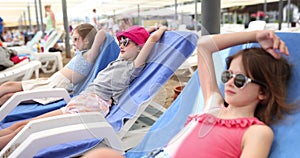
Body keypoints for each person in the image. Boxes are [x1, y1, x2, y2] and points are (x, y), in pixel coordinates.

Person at [80, 30, 293, 158]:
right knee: (99, 154)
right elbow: (204, 45)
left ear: (263, 92)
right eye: (228, 75)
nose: (228, 83)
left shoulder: (257, 132)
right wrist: (255, 35)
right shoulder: (214, 104)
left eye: (240, 80)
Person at [0, 25, 168, 150]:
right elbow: (132, 43)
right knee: (23, 125)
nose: (121, 45)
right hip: (83, 101)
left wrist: (159, 30)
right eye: (121, 41)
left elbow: (151, 41)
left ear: (140, 47)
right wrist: (147, 30)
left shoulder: (132, 67)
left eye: (127, 42)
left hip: (90, 106)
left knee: (27, 129)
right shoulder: (120, 61)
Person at [0, 23, 98, 105]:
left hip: (56, 88)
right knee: (8, 85)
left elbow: (102, 35)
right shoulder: (81, 53)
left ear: (86, 40)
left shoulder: (89, 55)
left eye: (76, 39)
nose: (73, 43)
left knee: (10, 97)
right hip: (51, 81)